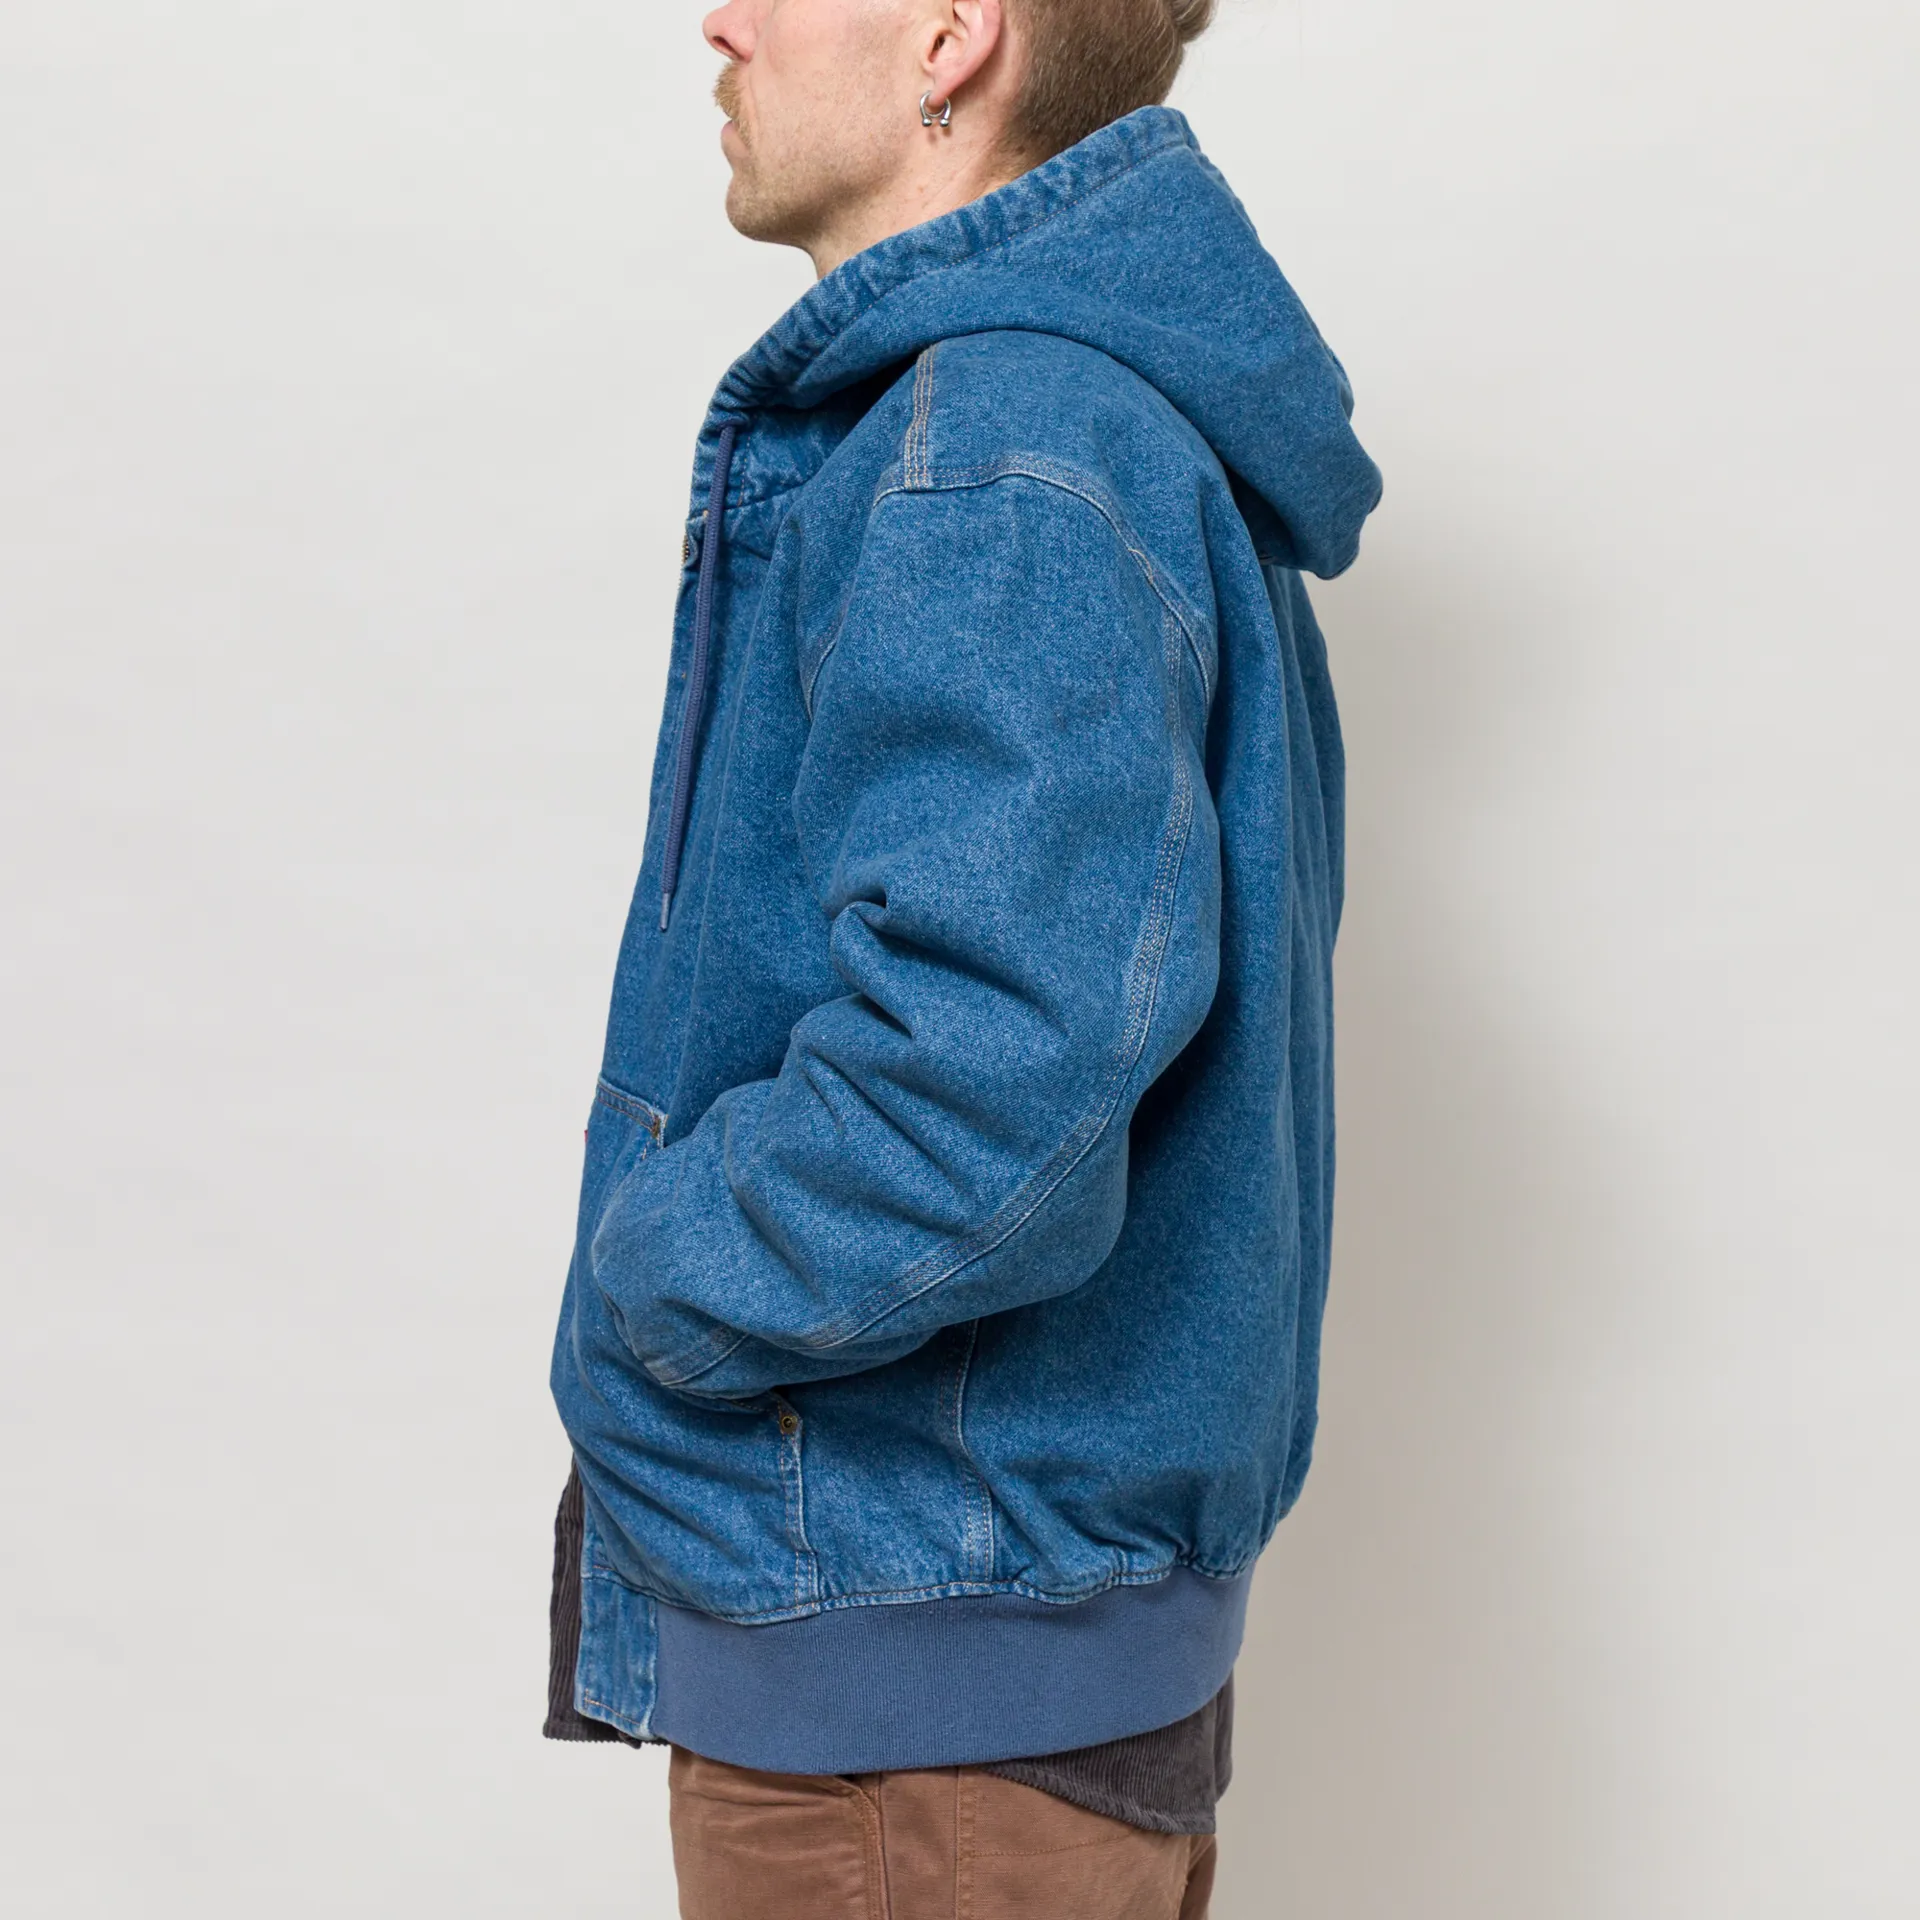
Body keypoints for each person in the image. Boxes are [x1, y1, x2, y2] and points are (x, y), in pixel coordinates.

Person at [544, 1, 1380, 1913]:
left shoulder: (1000, 440)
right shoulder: (1061, 417)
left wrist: (652, 1277)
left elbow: (992, 1072)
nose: (720, 22)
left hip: (913, 1705)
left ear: (951, 35)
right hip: (978, 1674)